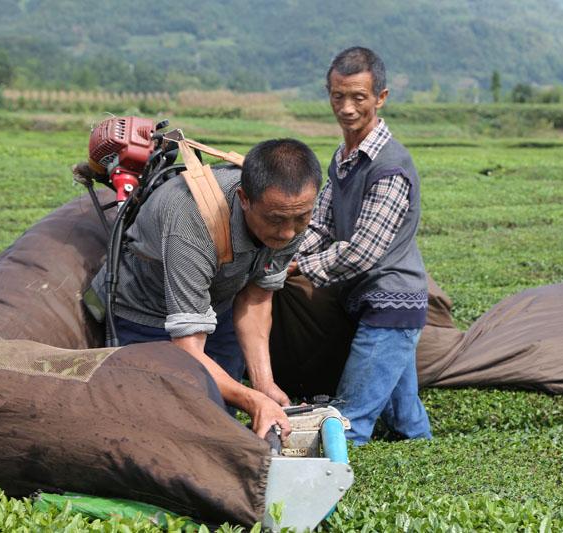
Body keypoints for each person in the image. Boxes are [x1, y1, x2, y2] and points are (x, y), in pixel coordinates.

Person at [90, 138, 321, 438]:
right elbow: (188, 348)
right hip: (148, 315)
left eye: (301, 218)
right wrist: (253, 400)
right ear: (244, 199)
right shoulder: (192, 220)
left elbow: (257, 295)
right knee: (155, 425)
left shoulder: (288, 213)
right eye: (276, 220)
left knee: (218, 417)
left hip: (216, 306)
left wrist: (263, 385)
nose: (289, 232)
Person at [291, 47, 432, 444]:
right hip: (372, 303)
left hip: (391, 305)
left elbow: (363, 251)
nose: (347, 108)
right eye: (338, 96)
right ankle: (438, 485)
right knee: (406, 421)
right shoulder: (343, 157)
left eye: (359, 97)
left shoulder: (390, 166)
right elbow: (320, 223)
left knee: (350, 423)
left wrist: (301, 269)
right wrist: (284, 254)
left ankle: (346, 500)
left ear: (380, 97)